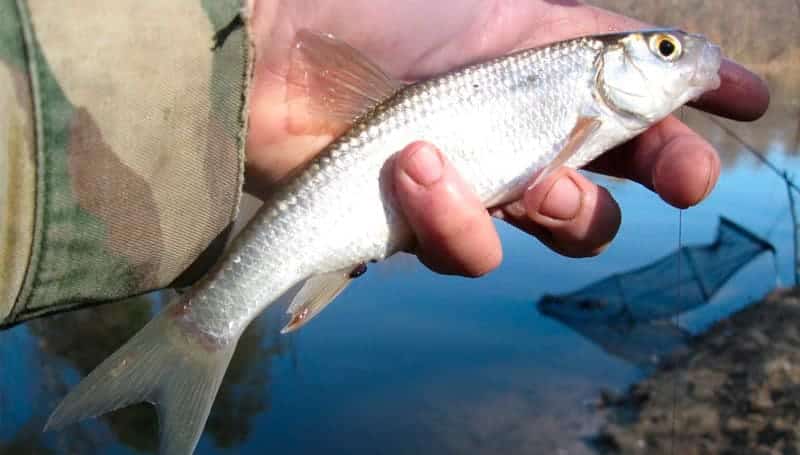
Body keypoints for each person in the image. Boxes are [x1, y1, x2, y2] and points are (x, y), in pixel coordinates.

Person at [0, 0, 769, 327]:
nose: (683, 56)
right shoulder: (576, 76)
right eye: (664, 49)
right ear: (616, 66)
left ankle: (213, 321)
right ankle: (207, 325)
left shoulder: (589, 90)